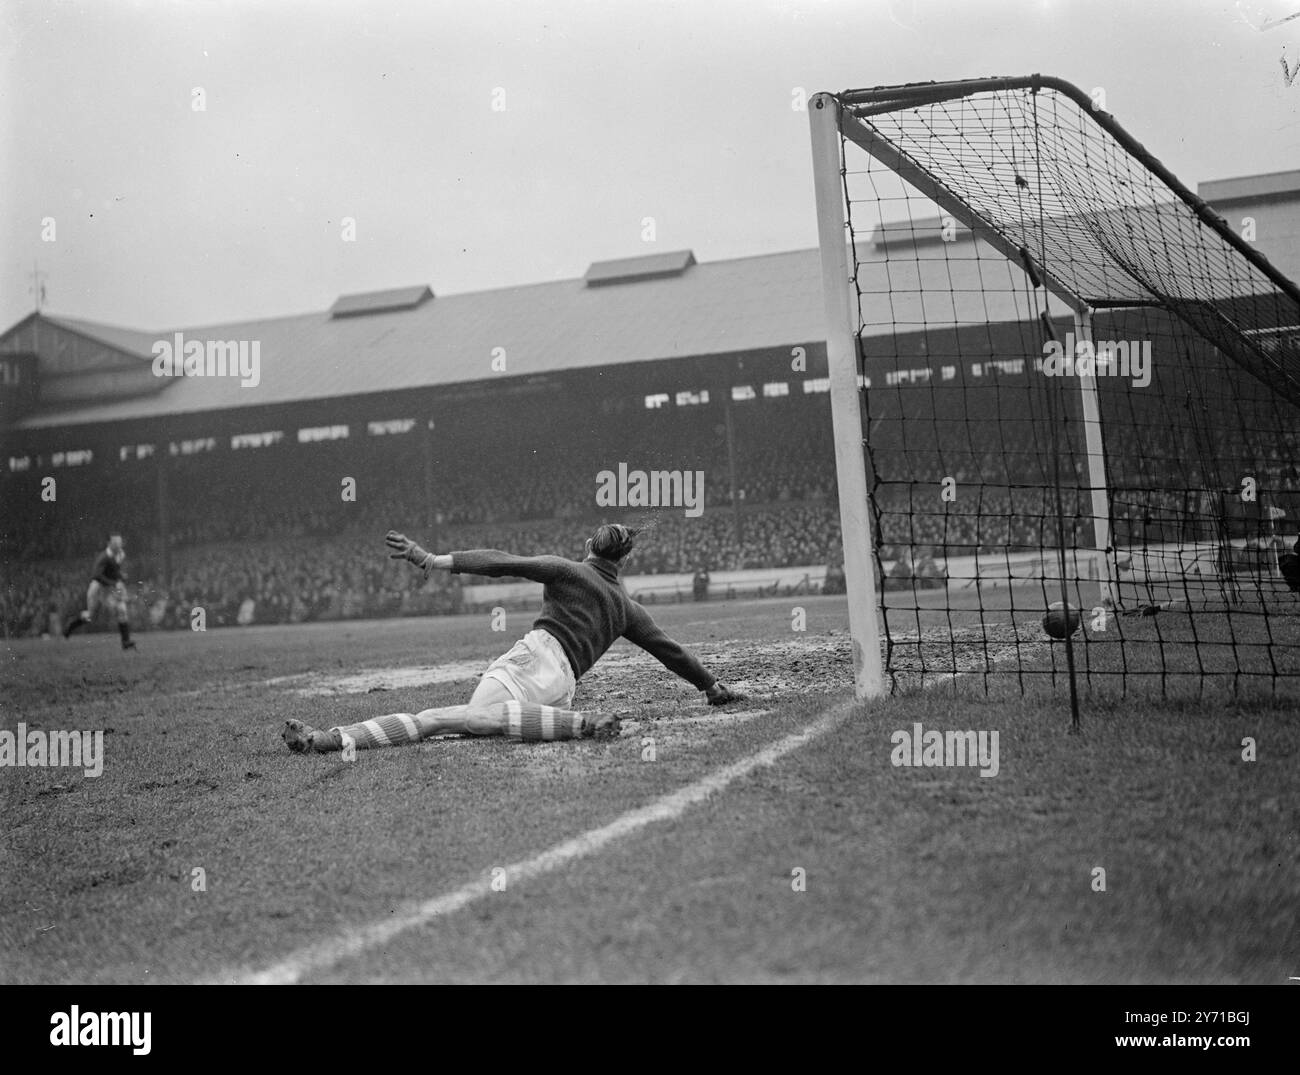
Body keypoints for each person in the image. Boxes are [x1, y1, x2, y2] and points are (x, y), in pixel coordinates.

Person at [283, 524, 743, 754]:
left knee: (451, 719)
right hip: (562, 684)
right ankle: (573, 723)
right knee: (476, 722)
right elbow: (670, 651)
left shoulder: (568, 570)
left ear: (589, 546)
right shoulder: (626, 607)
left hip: (532, 658)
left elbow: (502, 561)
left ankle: (330, 740)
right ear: (623, 561)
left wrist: (431, 559)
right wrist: (710, 686)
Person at [63, 533, 136, 650]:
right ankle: (72, 624)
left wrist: (120, 576)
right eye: (115, 542)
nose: (118, 545)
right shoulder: (104, 557)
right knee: (90, 616)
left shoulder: (121, 554)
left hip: (110, 589)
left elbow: (115, 570)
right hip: (98, 588)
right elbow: (97, 575)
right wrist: (114, 583)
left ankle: (125, 642)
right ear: (109, 543)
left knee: (122, 609)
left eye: (119, 542)